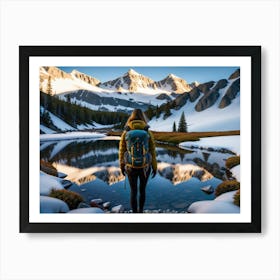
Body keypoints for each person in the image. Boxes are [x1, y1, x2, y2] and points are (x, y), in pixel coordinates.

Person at [119, 108, 157, 213]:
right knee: (142, 191)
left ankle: (135, 214)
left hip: (131, 166)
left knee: (133, 191)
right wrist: (154, 166)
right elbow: (152, 151)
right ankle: (141, 212)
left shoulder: (126, 131)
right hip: (145, 166)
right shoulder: (147, 131)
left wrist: (122, 165)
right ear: (142, 118)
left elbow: (122, 150)